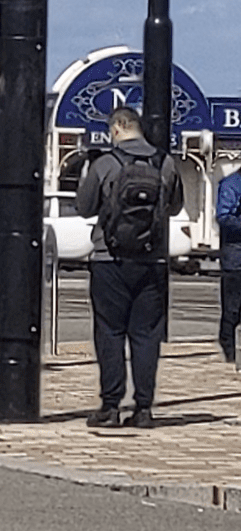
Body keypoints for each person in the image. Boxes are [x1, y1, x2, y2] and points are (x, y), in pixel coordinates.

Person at [76, 106, 185, 430]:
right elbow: (175, 206)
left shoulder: (105, 163)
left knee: (109, 332)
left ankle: (110, 407)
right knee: (146, 334)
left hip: (110, 258)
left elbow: (84, 208)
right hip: (153, 261)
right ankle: (144, 408)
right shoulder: (165, 163)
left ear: (117, 128)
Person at [215, 166, 241, 368]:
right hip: (235, 257)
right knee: (232, 309)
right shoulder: (232, 184)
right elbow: (223, 216)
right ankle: (228, 351)